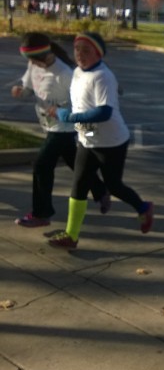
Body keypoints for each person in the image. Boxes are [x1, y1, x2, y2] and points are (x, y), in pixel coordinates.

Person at [46, 33, 154, 250]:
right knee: (78, 186)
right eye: (77, 50)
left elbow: (104, 112)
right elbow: (81, 102)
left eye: (86, 51)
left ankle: (143, 207)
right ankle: (71, 236)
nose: (80, 55)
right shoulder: (77, 72)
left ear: (99, 53)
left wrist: (67, 116)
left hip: (112, 142)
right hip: (87, 141)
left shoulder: (103, 76)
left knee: (114, 186)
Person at [11, 33, 109, 228]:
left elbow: (83, 102)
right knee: (74, 161)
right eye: (31, 62)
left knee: (41, 165)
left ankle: (42, 214)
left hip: (64, 126)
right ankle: (100, 190)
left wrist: (65, 113)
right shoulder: (33, 65)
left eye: (36, 61)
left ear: (47, 56)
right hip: (48, 124)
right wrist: (21, 91)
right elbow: (29, 88)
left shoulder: (65, 74)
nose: (34, 65)